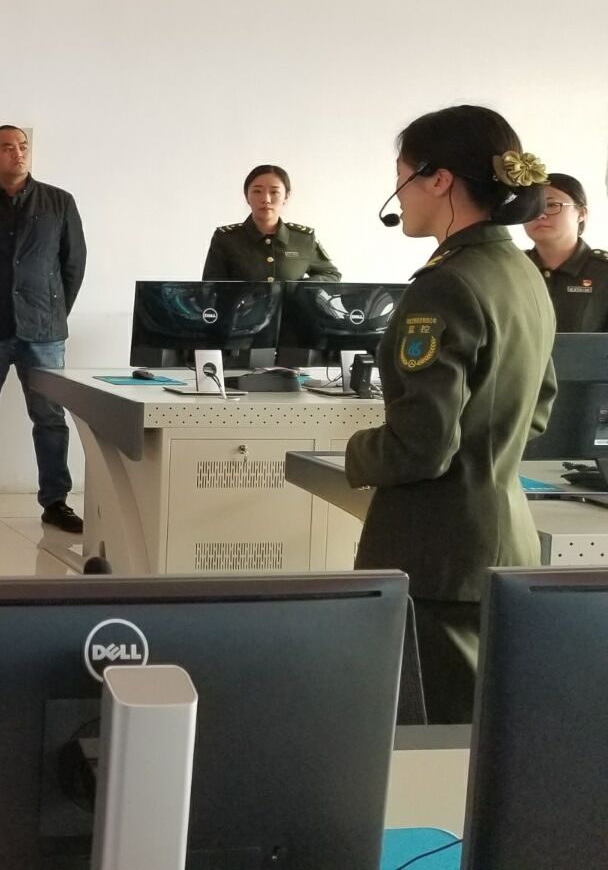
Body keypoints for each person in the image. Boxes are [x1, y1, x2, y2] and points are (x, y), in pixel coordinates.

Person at [346, 104, 555, 724]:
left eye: (403, 179)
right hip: (502, 541)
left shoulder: (447, 284)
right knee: (475, 739)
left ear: (439, 179)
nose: (400, 197)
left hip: (437, 555)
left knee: (428, 744)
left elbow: (423, 443)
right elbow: (540, 407)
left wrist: (356, 452)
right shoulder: (522, 271)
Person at [0, 125, 86, 533]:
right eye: (7, 148)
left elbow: (73, 264)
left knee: (50, 416)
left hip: (43, 330)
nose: (18, 153)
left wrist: (53, 311)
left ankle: (55, 502)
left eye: (23, 146)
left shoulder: (59, 202)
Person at [202, 165, 342, 282]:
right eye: (257, 191)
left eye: (274, 192)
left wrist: (299, 289)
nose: (266, 199)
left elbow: (331, 274)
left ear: (286, 196)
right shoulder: (226, 239)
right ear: (246, 196)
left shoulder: (303, 239)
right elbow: (210, 288)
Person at [522, 172, 608, 332]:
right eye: (531, 207)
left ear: (581, 213)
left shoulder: (603, 271)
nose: (540, 215)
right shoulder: (512, 268)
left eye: (552, 205)